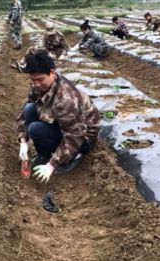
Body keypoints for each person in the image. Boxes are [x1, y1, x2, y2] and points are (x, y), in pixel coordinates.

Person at [17, 49, 101, 183]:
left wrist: (52, 165)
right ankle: (43, 155)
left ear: (52, 72)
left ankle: (69, 159)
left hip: (83, 138)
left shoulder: (65, 98)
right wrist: (23, 141)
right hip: (65, 123)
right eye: (33, 80)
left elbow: (75, 134)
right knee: (29, 109)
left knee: (35, 129)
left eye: (40, 80)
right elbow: (24, 112)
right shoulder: (37, 87)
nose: (36, 84)